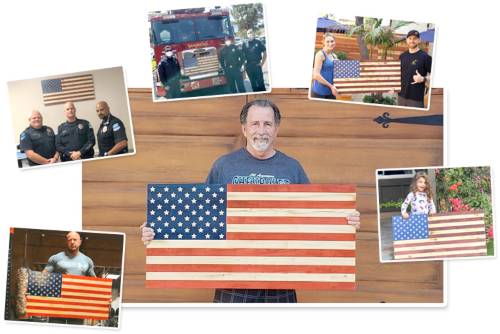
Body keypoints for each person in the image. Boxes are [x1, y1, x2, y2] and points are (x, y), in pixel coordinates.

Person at [141, 99, 361, 303]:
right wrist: (158, 228)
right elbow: (198, 216)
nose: (261, 131)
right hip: (232, 282)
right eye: (255, 124)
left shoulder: (292, 168)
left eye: (267, 124)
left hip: (281, 282)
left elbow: (314, 218)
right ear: (244, 129)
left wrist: (345, 222)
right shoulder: (224, 166)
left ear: (276, 129)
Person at [397, 30, 432, 108]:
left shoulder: (425, 57)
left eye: (415, 38)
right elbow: (399, 74)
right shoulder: (402, 56)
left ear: (419, 40)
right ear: (407, 40)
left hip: (416, 100)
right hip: (400, 97)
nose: (412, 41)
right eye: (410, 38)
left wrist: (423, 79)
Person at [311, 33, 338, 99]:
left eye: (332, 41)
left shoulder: (334, 56)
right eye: (327, 41)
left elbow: (335, 73)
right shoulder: (320, 55)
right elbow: (316, 75)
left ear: (335, 42)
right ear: (323, 42)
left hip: (331, 92)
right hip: (320, 92)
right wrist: (331, 86)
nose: (330, 43)